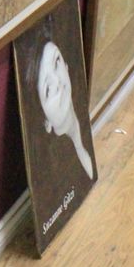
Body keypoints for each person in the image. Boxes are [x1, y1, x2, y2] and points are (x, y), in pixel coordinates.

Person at [36, 39, 94, 180]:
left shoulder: (86, 122)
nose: (57, 81)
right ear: (45, 121)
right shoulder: (57, 170)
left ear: (66, 66)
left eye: (56, 62)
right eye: (47, 89)